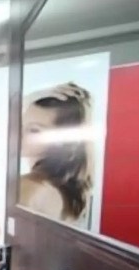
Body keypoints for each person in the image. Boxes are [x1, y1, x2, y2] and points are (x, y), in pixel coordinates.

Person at [19, 83, 93, 226]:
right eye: (20, 124)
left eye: (34, 130)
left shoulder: (28, 187)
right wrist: (28, 100)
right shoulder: (68, 189)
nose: (17, 134)